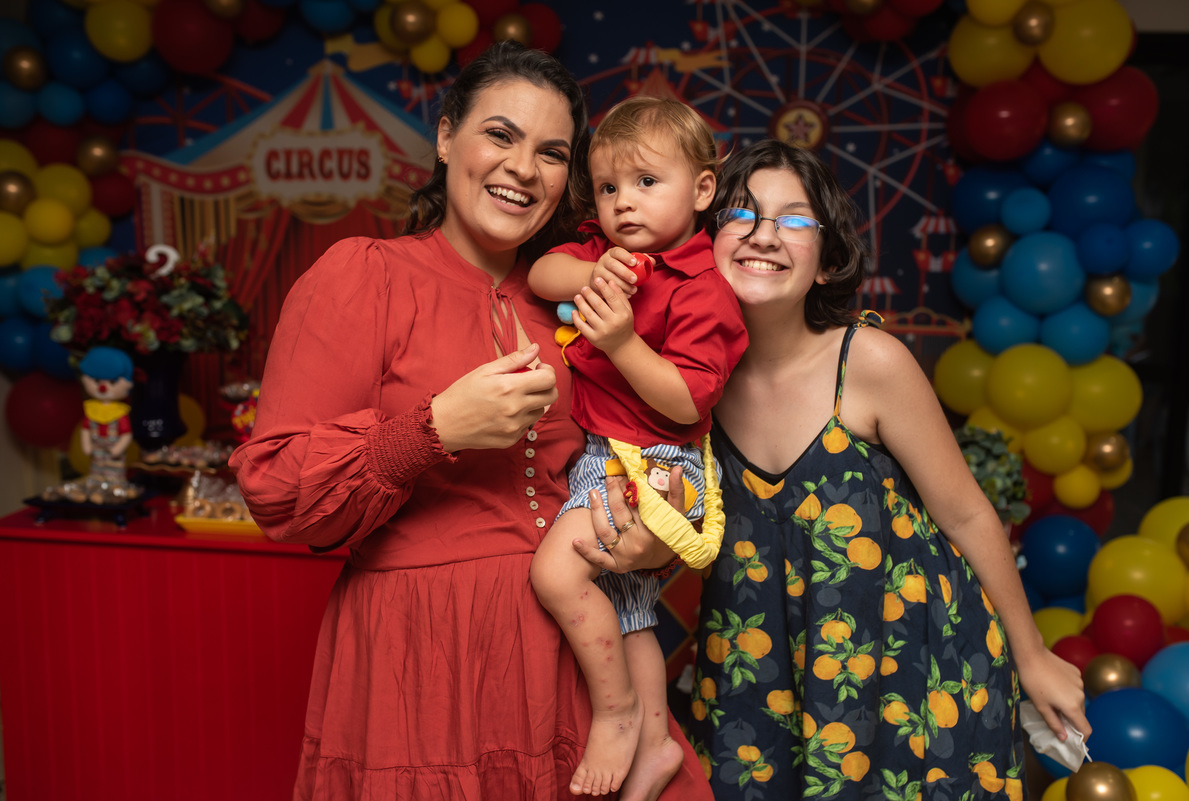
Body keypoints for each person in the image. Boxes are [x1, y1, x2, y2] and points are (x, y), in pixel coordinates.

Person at [230, 42, 713, 801]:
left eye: (552, 153)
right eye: (500, 135)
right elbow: (278, 492)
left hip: (579, 653)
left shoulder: (583, 299)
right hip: (422, 658)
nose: (524, 168)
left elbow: (652, 445)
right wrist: (433, 429)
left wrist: (649, 544)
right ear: (447, 136)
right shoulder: (364, 276)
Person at [574, 139, 1090, 799]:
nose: (764, 235)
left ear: (827, 262)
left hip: (910, 667)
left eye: (794, 220)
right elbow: (678, 519)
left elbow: (965, 513)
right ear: (704, 241)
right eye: (741, 214)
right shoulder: (676, 385)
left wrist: (1033, 655)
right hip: (758, 671)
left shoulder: (869, 361)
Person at [527, 97, 746, 800]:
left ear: (702, 189)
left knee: (556, 576)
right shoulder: (607, 252)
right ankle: (655, 744)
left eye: (647, 182)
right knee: (629, 611)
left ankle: (617, 711)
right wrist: (592, 275)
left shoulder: (703, 288)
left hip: (656, 464)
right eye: (609, 186)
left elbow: (687, 400)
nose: (623, 202)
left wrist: (621, 342)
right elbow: (541, 274)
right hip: (609, 454)